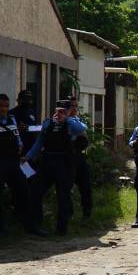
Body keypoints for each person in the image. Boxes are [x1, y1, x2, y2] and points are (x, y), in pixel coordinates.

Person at [0, 94, 43, 235]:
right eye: (0, 106)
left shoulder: (11, 119)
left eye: (6, 106)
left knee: (24, 192)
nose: (3, 109)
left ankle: (30, 226)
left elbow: (16, 135)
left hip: (13, 163)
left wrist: (19, 145)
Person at [25, 101, 87, 235]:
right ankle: (36, 225)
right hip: (48, 163)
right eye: (57, 111)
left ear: (68, 112)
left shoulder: (72, 123)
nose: (59, 114)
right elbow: (39, 142)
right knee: (35, 191)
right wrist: (28, 156)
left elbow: (81, 129)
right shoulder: (48, 123)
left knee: (63, 196)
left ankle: (61, 229)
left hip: (64, 164)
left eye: (63, 111)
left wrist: (67, 119)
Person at [67, 96, 93, 219]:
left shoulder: (76, 119)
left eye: (76, 106)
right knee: (67, 187)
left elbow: (84, 128)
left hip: (80, 156)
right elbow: (81, 128)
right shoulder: (66, 120)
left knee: (86, 186)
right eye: (72, 106)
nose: (75, 109)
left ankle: (87, 213)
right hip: (68, 157)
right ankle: (68, 214)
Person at [10, 89, 40, 157]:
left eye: (30, 98)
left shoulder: (32, 112)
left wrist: (29, 127)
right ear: (19, 100)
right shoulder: (12, 113)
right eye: (26, 98)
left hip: (31, 147)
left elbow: (36, 127)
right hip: (18, 148)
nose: (29, 100)